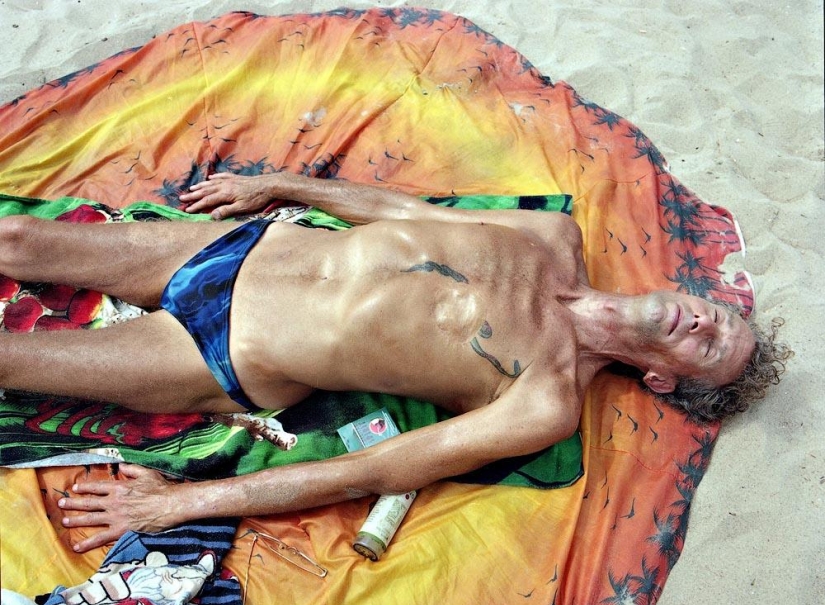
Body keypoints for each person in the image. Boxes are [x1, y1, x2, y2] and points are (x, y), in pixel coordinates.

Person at [0, 172, 790, 553]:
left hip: (228, 351)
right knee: (18, 243)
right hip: (246, 247)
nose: (704, 320)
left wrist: (178, 504)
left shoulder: (543, 399)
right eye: (719, 315)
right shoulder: (554, 238)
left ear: (662, 378)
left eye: (708, 345)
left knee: (12, 361)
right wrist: (274, 184)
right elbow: (405, 213)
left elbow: (371, 470)